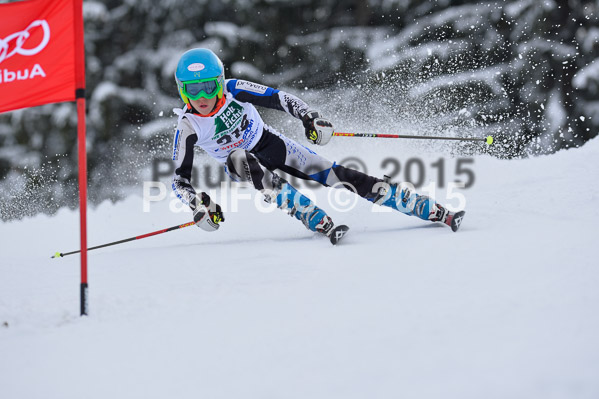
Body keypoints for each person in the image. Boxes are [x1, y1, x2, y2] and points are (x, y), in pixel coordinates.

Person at [170, 48, 464, 243]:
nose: (202, 95)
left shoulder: (235, 89)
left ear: (220, 82)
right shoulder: (188, 126)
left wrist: (309, 117)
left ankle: (423, 206)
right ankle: (307, 213)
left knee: (337, 176)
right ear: (183, 90)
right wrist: (197, 203)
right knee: (241, 157)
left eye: (209, 85)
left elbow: (281, 98)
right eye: (192, 89)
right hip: (240, 164)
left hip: (272, 145)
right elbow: (179, 181)